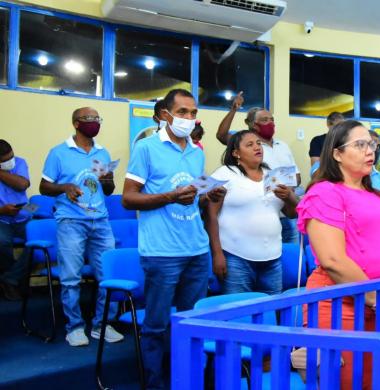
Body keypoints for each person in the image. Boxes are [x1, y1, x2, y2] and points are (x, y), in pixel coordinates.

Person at [122, 89, 225, 389]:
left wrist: (210, 195)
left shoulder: (196, 151)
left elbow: (195, 196)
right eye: (182, 112)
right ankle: (154, 383)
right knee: (155, 326)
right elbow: (129, 199)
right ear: (166, 115)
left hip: (196, 248)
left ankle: (189, 380)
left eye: (193, 113)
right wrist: (170, 197)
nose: (189, 118)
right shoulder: (147, 148)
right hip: (162, 252)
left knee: (192, 324)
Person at [297, 120, 380, 389]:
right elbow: (332, 260)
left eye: (371, 144)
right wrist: (378, 299)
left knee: (374, 380)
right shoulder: (324, 192)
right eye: (359, 145)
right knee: (346, 383)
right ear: (336, 153)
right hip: (340, 304)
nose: (370, 150)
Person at [40, 107, 123, 346]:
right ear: (76, 123)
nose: (95, 123)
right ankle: (75, 327)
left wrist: (108, 181)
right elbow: (44, 186)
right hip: (71, 221)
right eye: (89, 119)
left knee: (108, 275)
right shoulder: (59, 152)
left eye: (98, 119)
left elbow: (108, 190)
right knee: (70, 278)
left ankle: (102, 324)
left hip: (101, 221)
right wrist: (65, 187)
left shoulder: (102, 152)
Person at [207, 131, 298, 295]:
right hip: (236, 258)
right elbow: (210, 215)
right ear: (236, 153)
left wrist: (290, 197)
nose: (257, 147)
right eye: (249, 145)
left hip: (272, 259)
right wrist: (217, 254)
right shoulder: (225, 173)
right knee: (240, 312)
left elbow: (291, 213)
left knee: (270, 310)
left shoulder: (273, 175)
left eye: (258, 143)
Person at [216, 92, 301, 243]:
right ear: (254, 125)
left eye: (272, 120)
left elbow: (297, 176)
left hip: (285, 213)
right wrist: (234, 109)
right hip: (259, 214)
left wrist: (284, 187)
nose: (270, 123)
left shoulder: (283, 146)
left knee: (288, 260)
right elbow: (222, 135)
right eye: (265, 120)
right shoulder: (246, 146)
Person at [0, 140, 30, 301]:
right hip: (1, 219)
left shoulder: (20, 163)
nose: (10, 161)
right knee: (2, 243)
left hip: (23, 216)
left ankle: (9, 279)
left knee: (37, 243)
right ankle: (14, 282)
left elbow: (22, 185)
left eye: (11, 157)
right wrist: (2, 210)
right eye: (5, 160)